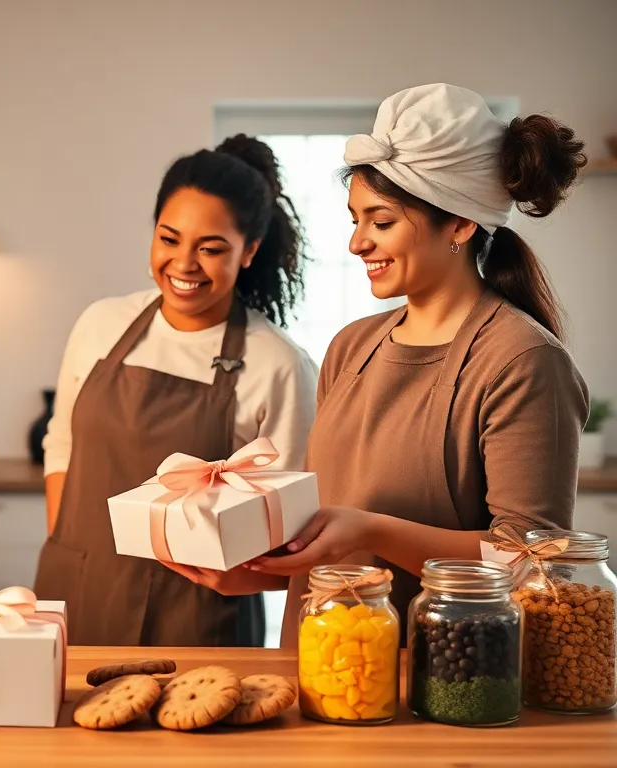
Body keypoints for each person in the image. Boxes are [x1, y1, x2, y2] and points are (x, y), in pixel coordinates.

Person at [236, 84, 590, 647]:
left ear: (460, 225)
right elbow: (323, 526)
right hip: (324, 666)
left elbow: (532, 560)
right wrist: (246, 567)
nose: (357, 243)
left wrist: (374, 530)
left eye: (381, 222)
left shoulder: (522, 361)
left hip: (446, 680)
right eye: (355, 220)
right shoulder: (350, 348)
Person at [32, 135, 319, 647]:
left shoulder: (276, 362)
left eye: (210, 249)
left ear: (249, 251)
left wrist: (244, 579)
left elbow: (291, 529)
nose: (184, 263)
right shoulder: (102, 324)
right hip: (76, 592)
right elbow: (62, 444)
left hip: (195, 617)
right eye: (169, 239)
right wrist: (70, 545)